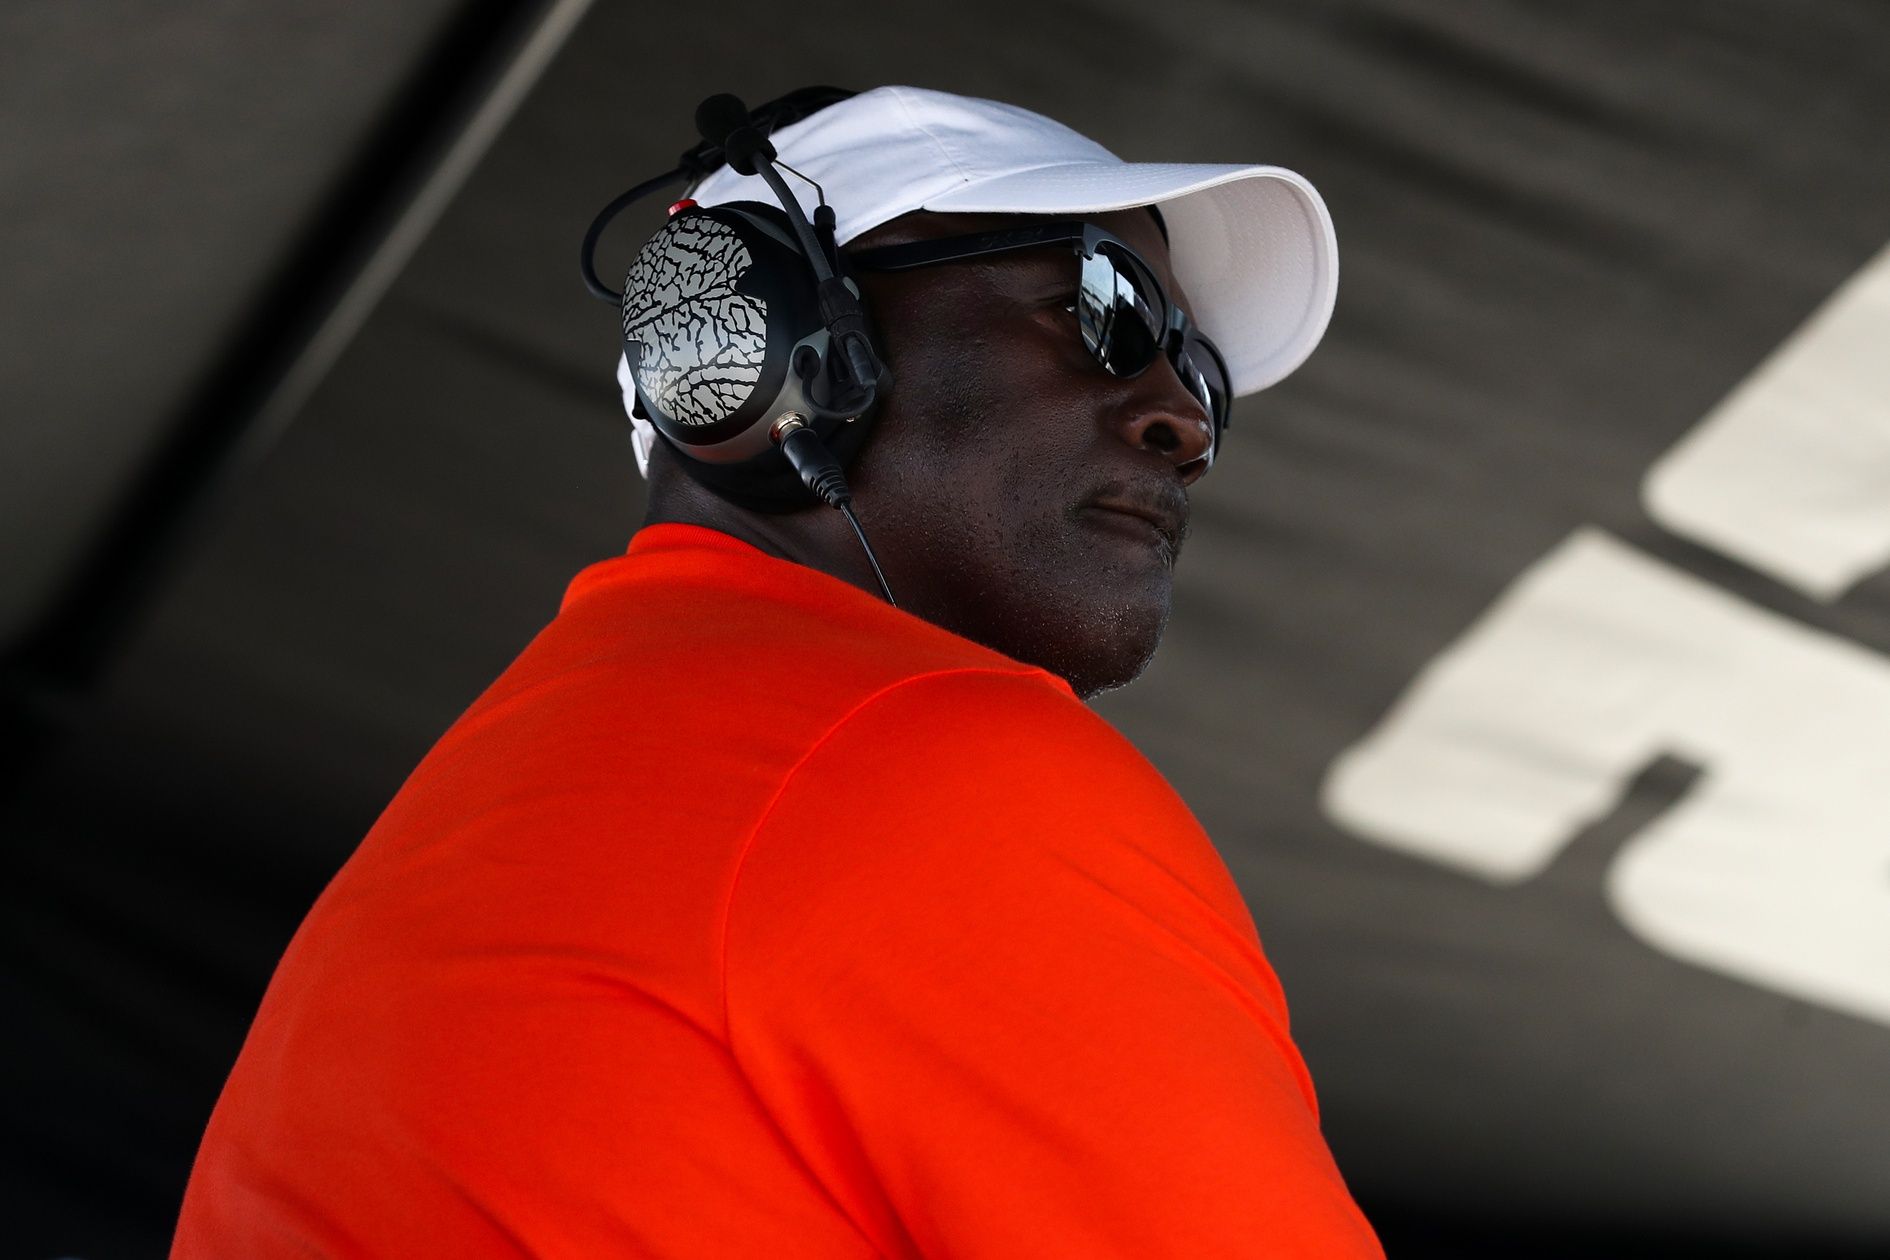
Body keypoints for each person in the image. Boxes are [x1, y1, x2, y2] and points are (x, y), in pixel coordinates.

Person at [172, 84, 1378, 1257]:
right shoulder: (934, 765)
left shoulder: (538, 765)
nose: (1185, 422)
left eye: (1202, 377)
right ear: (764, 337)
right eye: (1106, 308)